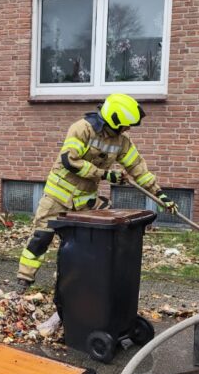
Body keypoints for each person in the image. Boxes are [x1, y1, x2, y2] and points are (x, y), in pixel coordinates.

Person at [15, 93, 176, 293]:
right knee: (41, 238)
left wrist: (160, 195)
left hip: (87, 202)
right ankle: (23, 280)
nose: (128, 129)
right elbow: (70, 161)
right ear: (114, 120)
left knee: (95, 239)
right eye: (125, 125)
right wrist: (106, 174)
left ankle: (74, 282)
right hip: (57, 197)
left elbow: (137, 168)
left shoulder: (122, 141)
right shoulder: (81, 129)